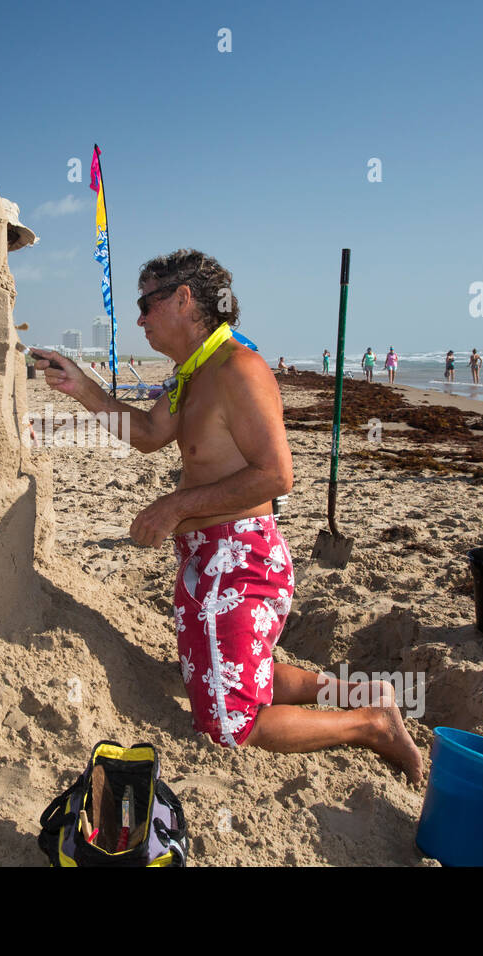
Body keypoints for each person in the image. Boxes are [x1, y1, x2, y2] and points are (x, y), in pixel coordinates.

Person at [32, 249, 422, 782]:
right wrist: (82, 386)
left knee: (230, 725)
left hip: (240, 561)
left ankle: (370, 724)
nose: (140, 317)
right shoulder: (194, 372)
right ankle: (361, 692)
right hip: (207, 560)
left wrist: (174, 506)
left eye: (147, 303)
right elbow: (148, 435)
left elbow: (276, 475)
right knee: (239, 675)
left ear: (185, 299)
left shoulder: (239, 368)